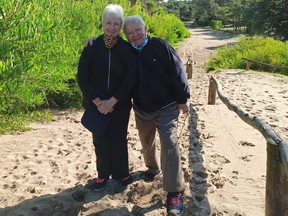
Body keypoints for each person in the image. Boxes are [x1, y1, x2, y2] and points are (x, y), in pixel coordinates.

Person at [123, 15, 190, 216]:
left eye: (138, 30)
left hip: (167, 106)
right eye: (130, 33)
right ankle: (152, 169)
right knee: (146, 142)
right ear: (125, 36)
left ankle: (174, 191)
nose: (135, 35)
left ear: (145, 29)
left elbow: (178, 71)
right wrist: (91, 42)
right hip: (142, 108)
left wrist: (183, 98)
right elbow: (106, 47)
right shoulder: (126, 52)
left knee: (169, 144)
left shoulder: (160, 46)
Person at [77, 4, 136, 192]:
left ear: (121, 25)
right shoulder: (91, 46)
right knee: (100, 139)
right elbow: (82, 77)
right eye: (108, 23)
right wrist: (97, 101)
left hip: (120, 104)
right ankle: (102, 175)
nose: (112, 27)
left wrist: (113, 100)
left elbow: (130, 78)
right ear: (102, 23)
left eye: (116, 23)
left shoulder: (127, 49)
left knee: (119, 138)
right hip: (96, 104)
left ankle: (122, 173)